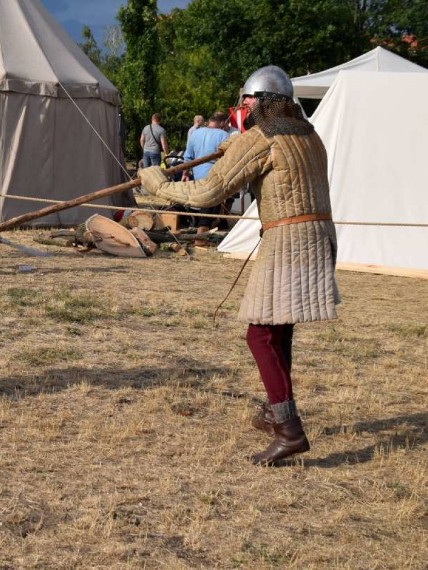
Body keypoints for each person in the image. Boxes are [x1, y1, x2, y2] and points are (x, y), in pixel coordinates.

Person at [138, 65, 339, 466]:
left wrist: (158, 184)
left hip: (290, 242)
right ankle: (274, 410)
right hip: (318, 236)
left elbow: (210, 191)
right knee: (278, 332)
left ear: (264, 103)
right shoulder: (307, 134)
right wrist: (237, 150)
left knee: (260, 336)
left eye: (248, 102)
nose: (243, 108)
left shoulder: (262, 137)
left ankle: (289, 429)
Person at [182, 111, 231, 243]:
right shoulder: (224, 135)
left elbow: (188, 157)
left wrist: (185, 173)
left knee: (199, 202)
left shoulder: (195, 133)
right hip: (214, 174)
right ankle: (201, 234)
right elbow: (228, 159)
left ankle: (198, 229)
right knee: (211, 204)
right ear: (222, 123)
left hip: (197, 173)